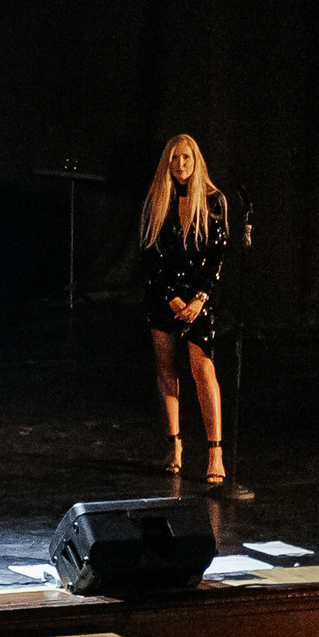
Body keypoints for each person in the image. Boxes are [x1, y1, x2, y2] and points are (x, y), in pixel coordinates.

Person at [139, 134, 230, 485]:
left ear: (197, 161)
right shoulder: (157, 200)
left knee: (202, 368)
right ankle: (174, 445)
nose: (180, 164)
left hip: (199, 297)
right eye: (175, 158)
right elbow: (150, 255)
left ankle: (215, 453)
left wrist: (199, 298)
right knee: (166, 368)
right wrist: (170, 297)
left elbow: (217, 256)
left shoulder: (214, 200)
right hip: (165, 296)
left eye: (187, 158)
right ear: (167, 162)